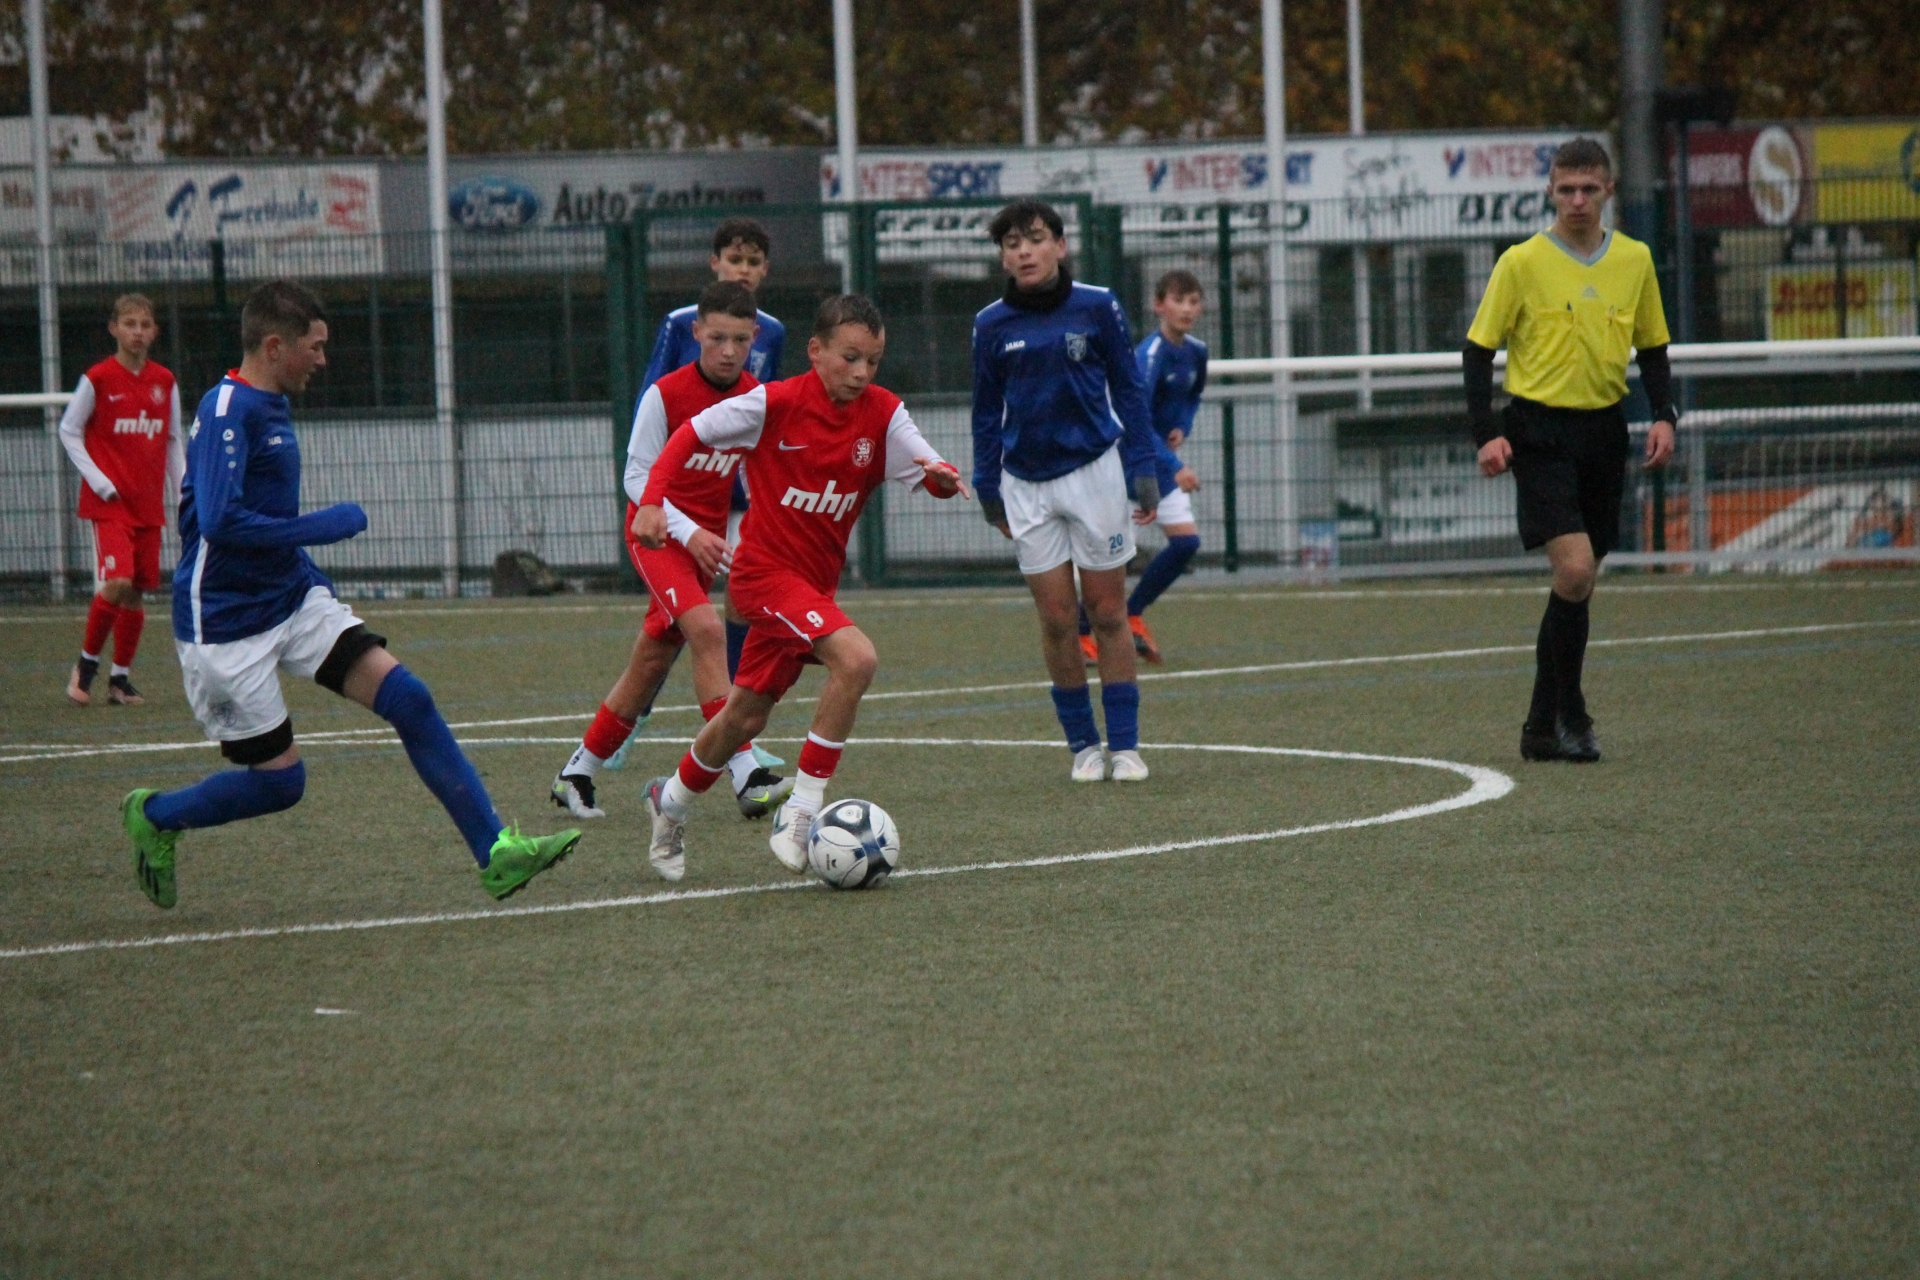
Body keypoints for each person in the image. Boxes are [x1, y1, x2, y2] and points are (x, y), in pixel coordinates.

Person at [120, 280, 579, 908]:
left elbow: (258, 514)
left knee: (410, 700)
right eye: (316, 346)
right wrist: (318, 528)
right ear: (276, 345)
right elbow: (221, 524)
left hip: (289, 598)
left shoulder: (271, 400)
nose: (323, 359)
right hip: (224, 625)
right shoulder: (230, 410)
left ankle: (495, 851)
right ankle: (156, 815)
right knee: (281, 784)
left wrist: (305, 569)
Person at [637, 295, 965, 882]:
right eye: (850, 358)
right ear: (815, 353)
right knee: (857, 660)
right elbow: (688, 434)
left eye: (874, 360)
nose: (862, 373)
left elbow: (929, 467)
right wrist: (654, 499)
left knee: (743, 719)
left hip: (811, 589)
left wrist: (942, 480)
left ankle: (669, 804)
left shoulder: (884, 414)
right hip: (762, 576)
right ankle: (802, 810)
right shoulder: (773, 403)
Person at [1463, 137, 1676, 763]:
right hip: (1539, 432)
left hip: (1605, 432)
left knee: (1578, 584)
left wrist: (1664, 414)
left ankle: (1539, 727)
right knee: (1576, 569)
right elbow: (1478, 352)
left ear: (1608, 191)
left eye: (1589, 189)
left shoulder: (1634, 260)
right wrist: (1485, 434)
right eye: (1566, 190)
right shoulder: (1522, 262)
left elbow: (1653, 347)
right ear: (1550, 192)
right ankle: (1573, 714)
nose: (1577, 200)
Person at [549, 281, 792, 821]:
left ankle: (577, 773)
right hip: (655, 535)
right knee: (707, 630)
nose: (728, 351)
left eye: (739, 341)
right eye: (717, 338)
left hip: (702, 545)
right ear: (696, 333)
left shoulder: (757, 398)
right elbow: (637, 478)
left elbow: (770, 472)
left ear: (754, 338)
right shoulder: (666, 393)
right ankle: (747, 773)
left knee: (651, 660)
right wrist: (689, 532)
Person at [971, 198, 1162, 784]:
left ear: (1059, 245)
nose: (1023, 251)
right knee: (1057, 620)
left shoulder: (1098, 306)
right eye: (1011, 244)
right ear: (1003, 257)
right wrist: (986, 483)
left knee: (1108, 611)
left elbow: (1129, 390)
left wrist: (1142, 465)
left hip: (1095, 475)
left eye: (1034, 239)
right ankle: (1083, 746)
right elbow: (984, 410)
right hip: (1025, 485)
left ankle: (1125, 747)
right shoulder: (990, 323)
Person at [611, 215, 789, 767]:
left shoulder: (773, 332)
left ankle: (731, 727)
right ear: (714, 264)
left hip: (733, 494)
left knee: (737, 604)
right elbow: (654, 396)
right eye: (734, 260)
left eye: (753, 262)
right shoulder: (681, 323)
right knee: (678, 625)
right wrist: (656, 492)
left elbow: (764, 412)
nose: (744, 270)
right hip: (677, 497)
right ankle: (651, 729)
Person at [1078, 269, 1208, 665]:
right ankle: (1083, 634)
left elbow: (1191, 396)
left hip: (1156, 460)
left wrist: (1181, 427)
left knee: (1186, 542)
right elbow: (1132, 421)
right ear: (1158, 305)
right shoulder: (1149, 356)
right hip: (1127, 461)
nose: (1186, 309)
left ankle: (1132, 614)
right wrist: (1175, 464)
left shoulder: (1197, 352)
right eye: (1178, 300)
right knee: (1113, 558)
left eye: (1194, 301)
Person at [59, 293, 183, 707]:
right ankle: (86, 666)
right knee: (118, 580)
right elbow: (68, 430)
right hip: (109, 503)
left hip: (147, 504)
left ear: (154, 332)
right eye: (129, 324)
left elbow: (172, 441)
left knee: (136, 591)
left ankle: (120, 681)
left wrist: (184, 493)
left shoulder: (165, 382)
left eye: (145, 325)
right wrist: (99, 479)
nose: (138, 332)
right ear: (114, 328)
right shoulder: (98, 378)